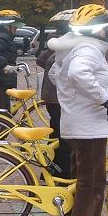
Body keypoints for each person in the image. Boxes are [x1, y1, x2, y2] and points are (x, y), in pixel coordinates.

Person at [49, 4, 108, 216]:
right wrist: (104, 98)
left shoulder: (71, 48)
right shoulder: (88, 50)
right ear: (98, 29)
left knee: (78, 178)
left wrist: (71, 96)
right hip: (89, 126)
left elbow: (55, 75)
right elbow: (80, 74)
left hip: (76, 121)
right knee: (92, 182)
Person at [36, 9, 75, 180]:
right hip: (59, 98)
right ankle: (59, 172)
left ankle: (51, 170)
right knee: (63, 138)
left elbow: (40, 60)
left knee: (56, 136)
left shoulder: (55, 41)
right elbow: (52, 67)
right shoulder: (65, 44)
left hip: (52, 97)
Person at [0, 9, 24, 111]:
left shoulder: (4, 37)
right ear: (8, 27)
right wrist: (5, 66)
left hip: (0, 79)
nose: (16, 30)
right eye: (15, 27)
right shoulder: (1, 37)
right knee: (1, 112)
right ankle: (0, 127)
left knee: (1, 109)